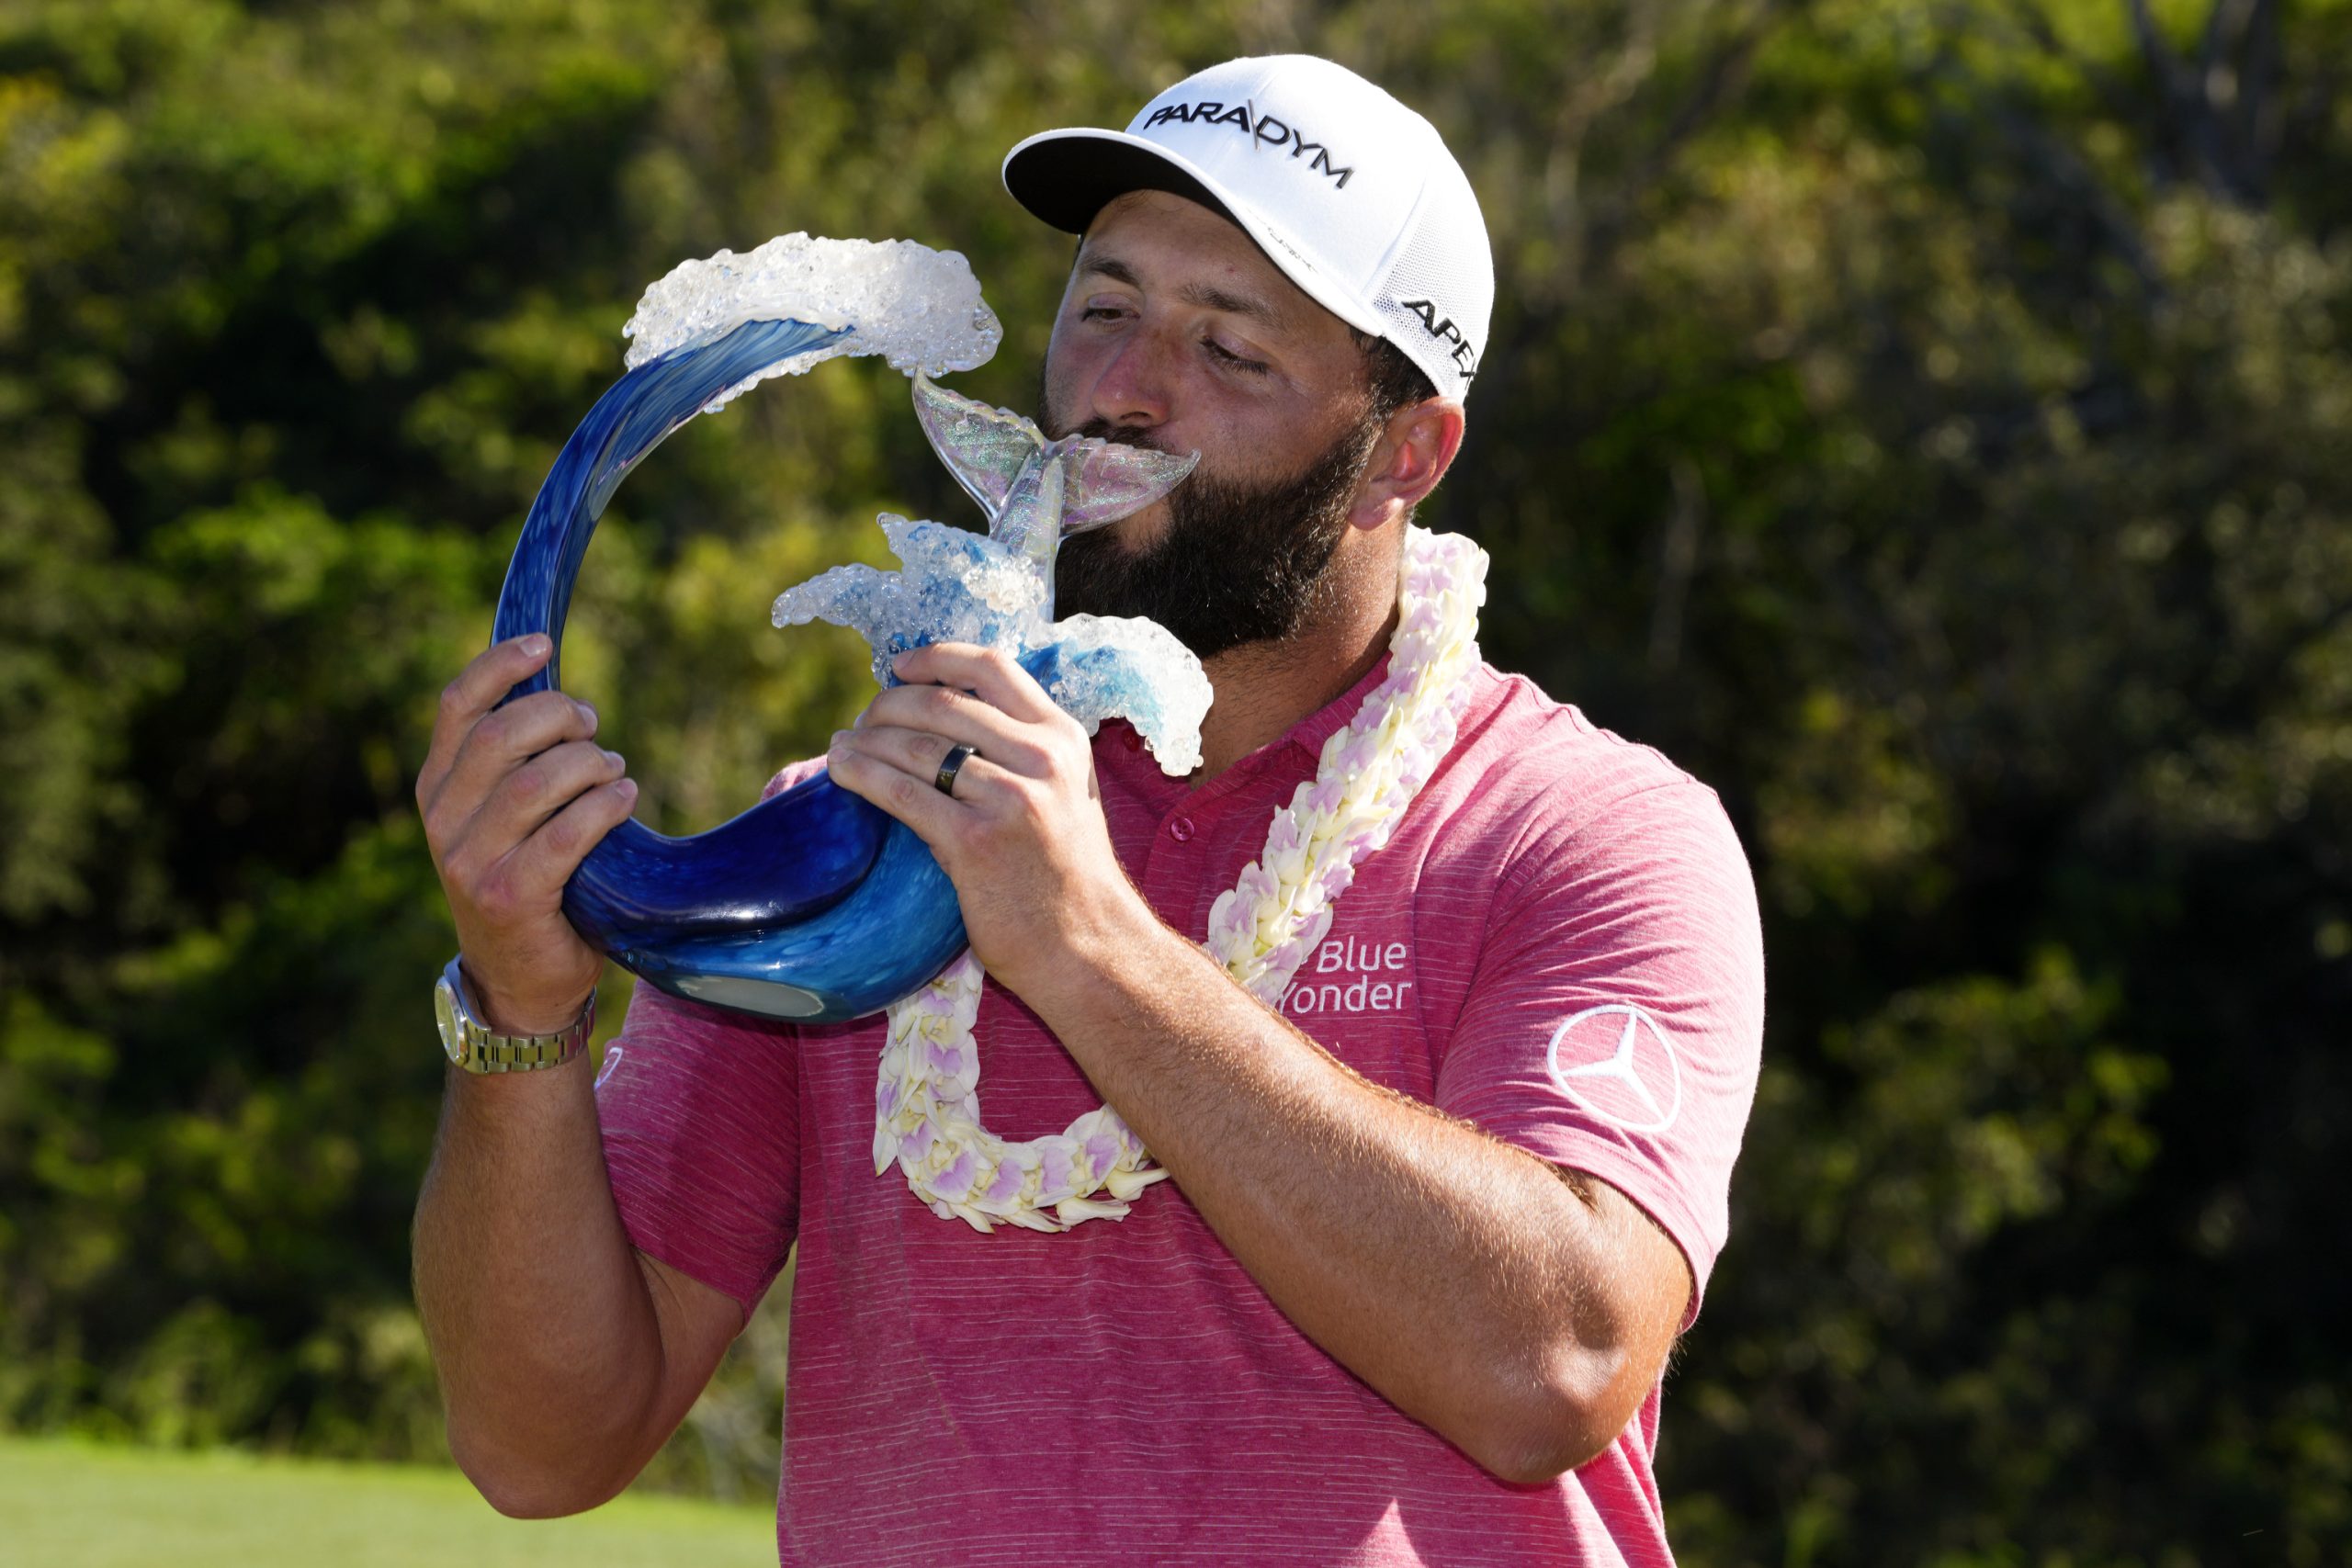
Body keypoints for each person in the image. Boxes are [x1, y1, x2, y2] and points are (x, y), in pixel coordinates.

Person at [412, 54, 1764, 1566]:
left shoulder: (1586, 833)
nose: (1122, 391)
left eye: (1229, 350)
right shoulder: (859, 825)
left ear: (1405, 452)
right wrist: (521, 1008)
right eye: (1105, 308)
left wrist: (1089, 946)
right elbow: (541, 1446)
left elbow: (1556, 1368)